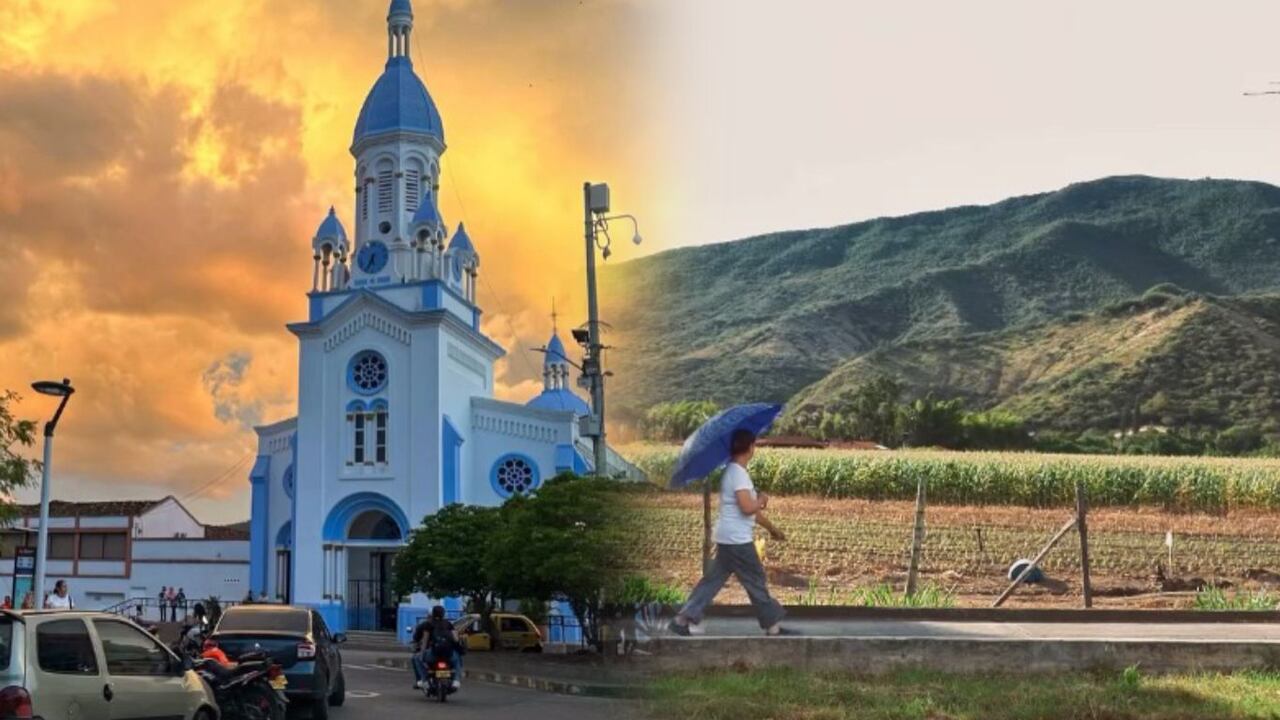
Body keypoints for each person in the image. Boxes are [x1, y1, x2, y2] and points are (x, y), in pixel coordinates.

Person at [669, 429, 792, 636]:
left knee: (713, 581)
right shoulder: (738, 473)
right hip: (737, 540)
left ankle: (682, 619)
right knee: (755, 579)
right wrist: (761, 500)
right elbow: (747, 507)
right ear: (750, 448)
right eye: (754, 445)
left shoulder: (733, 471)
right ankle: (773, 627)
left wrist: (772, 529)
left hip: (728, 538)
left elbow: (750, 513)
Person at [411, 605, 463, 690]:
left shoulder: (428, 624)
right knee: (458, 660)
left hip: (434, 654)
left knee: (416, 658)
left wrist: (422, 653)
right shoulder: (448, 623)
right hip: (448, 654)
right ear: (443, 613)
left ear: (433, 614)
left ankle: (424, 681)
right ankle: (456, 680)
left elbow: (425, 640)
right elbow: (456, 639)